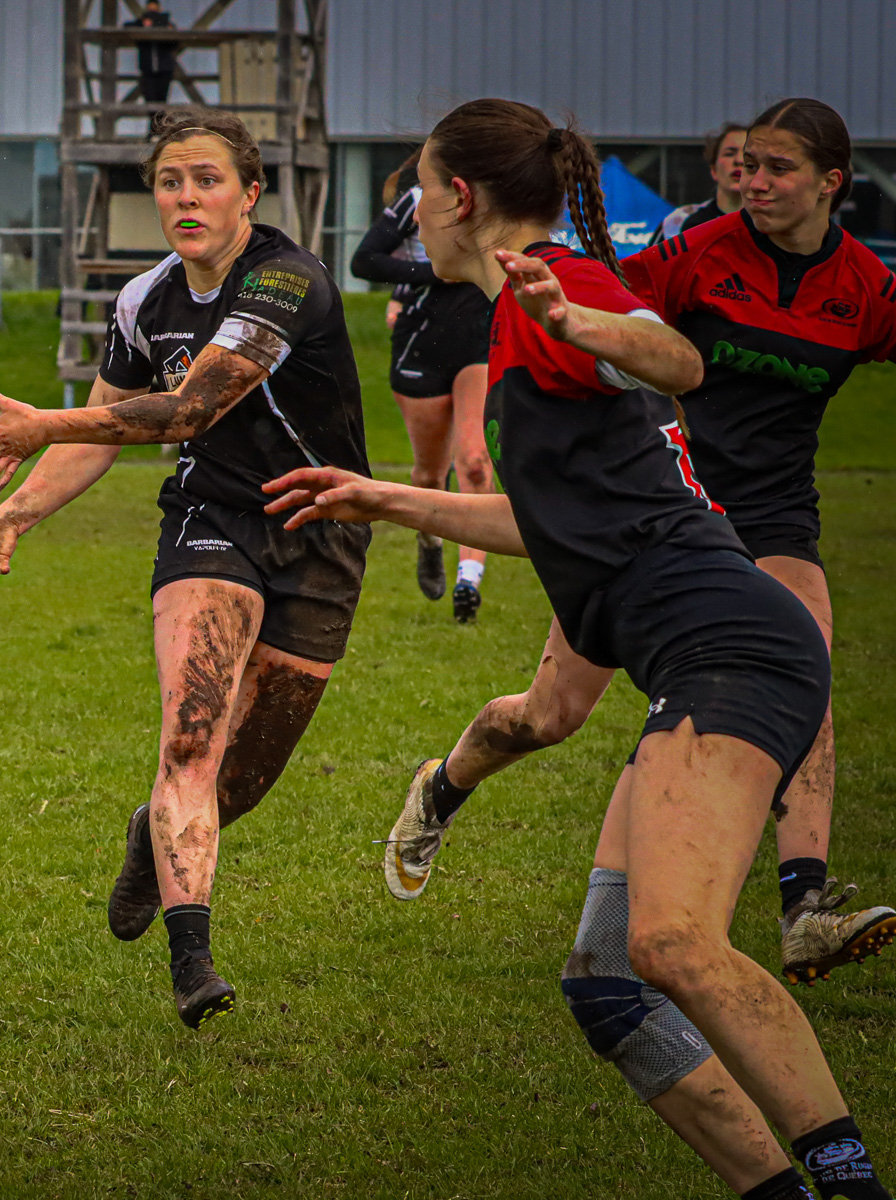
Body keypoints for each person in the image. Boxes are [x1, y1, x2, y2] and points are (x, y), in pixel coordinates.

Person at [265, 98, 887, 1200]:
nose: (411, 206)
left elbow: (678, 362)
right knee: (608, 984)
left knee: (675, 947)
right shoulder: (520, 315)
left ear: (460, 197)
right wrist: (385, 499)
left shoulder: (553, 287)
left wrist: (589, 327)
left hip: (730, 650)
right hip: (693, 662)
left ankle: (849, 1180)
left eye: (416, 182)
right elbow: (548, 525)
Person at [381, 98, 896, 989]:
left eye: (778, 168)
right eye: (748, 164)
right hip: (643, 507)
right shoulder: (700, 251)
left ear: (831, 184)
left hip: (768, 517)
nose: (753, 181)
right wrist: (585, 326)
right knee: (548, 717)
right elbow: (612, 314)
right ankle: (443, 785)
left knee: (800, 658)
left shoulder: (865, 287)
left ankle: (803, 907)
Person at [0, 109, 370, 1030]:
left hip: (321, 531)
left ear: (250, 193)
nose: (186, 197)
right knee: (189, 740)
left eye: (206, 179)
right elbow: (106, 434)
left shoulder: (288, 281)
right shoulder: (144, 301)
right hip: (212, 523)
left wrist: (42, 423)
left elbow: (188, 407)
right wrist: (14, 513)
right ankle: (194, 962)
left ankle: (150, 837)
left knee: (240, 779)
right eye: (170, 181)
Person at [351, 151, 497, 620]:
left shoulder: (501, 200)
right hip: (422, 343)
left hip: (482, 341)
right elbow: (364, 261)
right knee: (430, 475)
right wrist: (429, 274)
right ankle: (430, 541)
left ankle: (468, 582)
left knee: (474, 461)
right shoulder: (418, 199)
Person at [648, 122, 748, 246]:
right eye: (729, 153)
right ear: (713, 169)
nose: (739, 160)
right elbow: (647, 264)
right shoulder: (680, 221)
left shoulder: (770, 225)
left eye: (747, 155)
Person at [125, 0, 178, 105]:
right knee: (149, 99)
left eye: (154, 10)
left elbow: (174, 43)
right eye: (150, 10)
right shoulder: (141, 23)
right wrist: (143, 25)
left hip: (164, 69)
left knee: (161, 101)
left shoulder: (166, 23)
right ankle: (154, 121)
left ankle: (157, 121)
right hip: (148, 69)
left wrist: (165, 29)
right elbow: (127, 27)